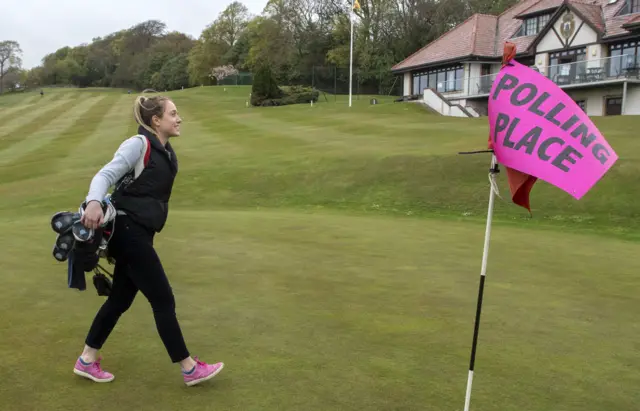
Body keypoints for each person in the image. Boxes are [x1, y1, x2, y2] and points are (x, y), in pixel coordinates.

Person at [74, 95, 224, 386]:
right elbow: (105, 175)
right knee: (163, 298)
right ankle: (189, 367)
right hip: (128, 231)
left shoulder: (166, 152)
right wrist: (93, 201)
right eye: (173, 114)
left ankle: (87, 359)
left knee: (119, 300)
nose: (178, 118)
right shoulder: (138, 144)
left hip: (139, 233)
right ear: (156, 120)